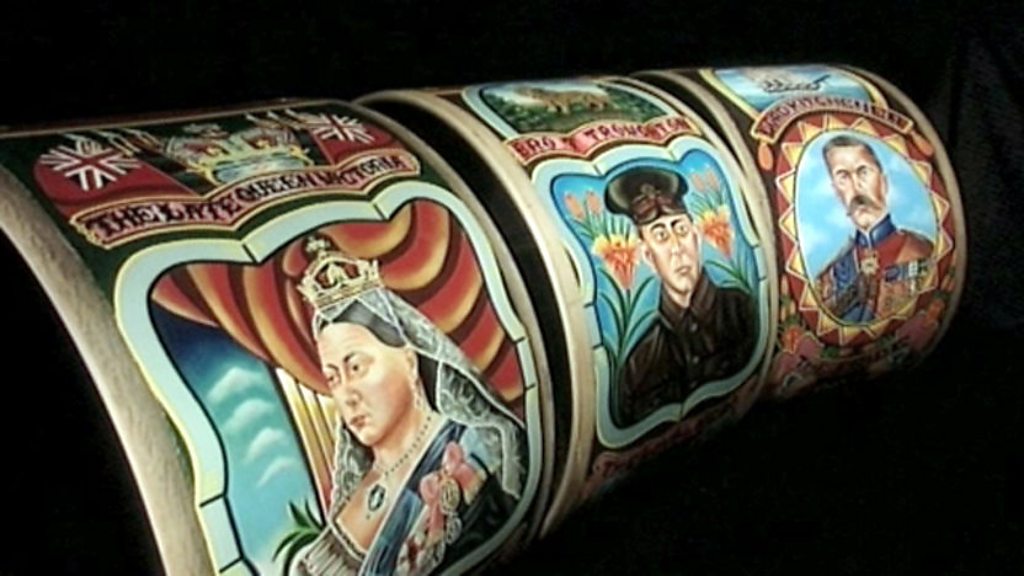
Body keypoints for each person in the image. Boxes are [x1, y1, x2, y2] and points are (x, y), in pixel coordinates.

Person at [292, 236, 526, 576]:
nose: (346, 395)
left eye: (356, 367)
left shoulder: (476, 452)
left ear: (409, 359)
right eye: (333, 378)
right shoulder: (356, 483)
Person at [605, 167, 757, 428]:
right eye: (661, 236)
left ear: (696, 237)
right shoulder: (639, 364)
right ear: (648, 256)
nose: (677, 248)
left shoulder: (741, 310)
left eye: (681, 230)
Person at [813, 135, 934, 323]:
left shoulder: (921, 252)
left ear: (883, 182)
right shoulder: (830, 277)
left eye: (863, 172)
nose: (856, 186)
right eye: (843, 177)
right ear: (836, 192)